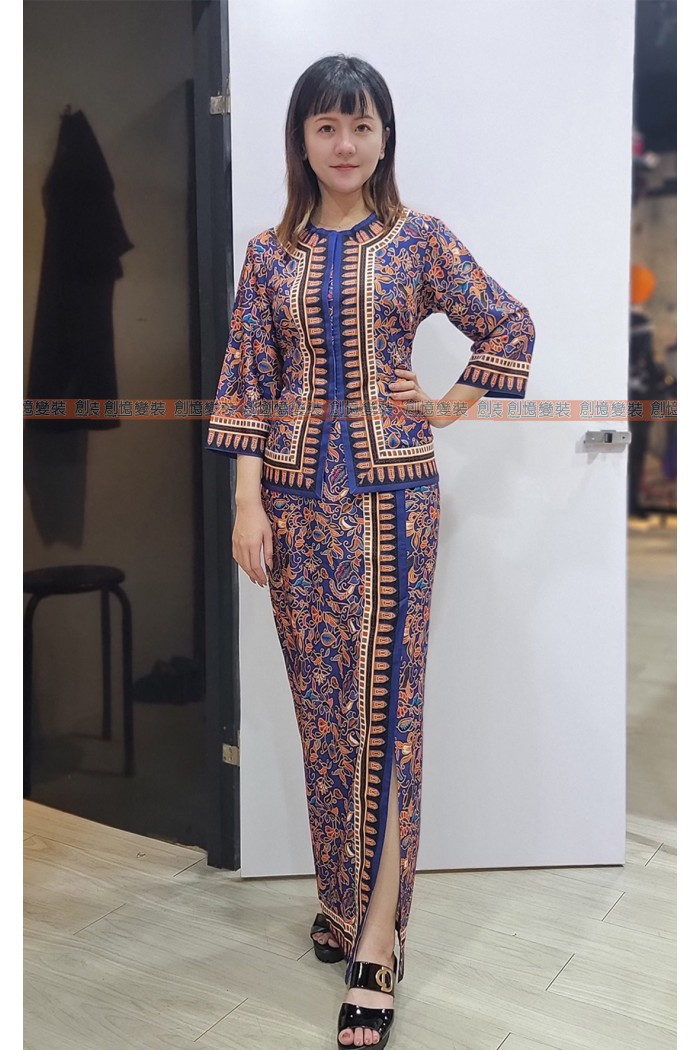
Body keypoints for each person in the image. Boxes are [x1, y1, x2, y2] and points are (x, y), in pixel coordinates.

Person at [207, 54, 535, 1050]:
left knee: (385, 712)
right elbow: (249, 377)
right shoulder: (269, 255)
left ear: (385, 137)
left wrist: (445, 405)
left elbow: (508, 325)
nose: (344, 144)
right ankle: (340, 902)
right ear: (301, 141)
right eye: (326, 127)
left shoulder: (419, 240)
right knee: (321, 711)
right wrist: (247, 504)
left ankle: (380, 943)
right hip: (292, 509)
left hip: (394, 507)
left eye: (360, 125)